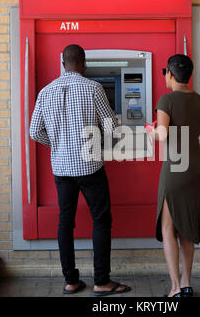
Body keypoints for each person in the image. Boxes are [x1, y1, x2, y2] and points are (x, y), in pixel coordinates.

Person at [30, 44, 132, 296]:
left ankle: (71, 281)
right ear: (83, 63)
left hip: (62, 168)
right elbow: (111, 127)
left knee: (65, 222)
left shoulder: (46, 92)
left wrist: (57, 143)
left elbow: (34, 131)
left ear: (63, 63)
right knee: (101, 219)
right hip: (89, 166)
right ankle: (101, 281)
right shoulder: (94, 88)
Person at [147, 54, 200, 297]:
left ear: (170, 75)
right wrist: (197, 167)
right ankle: (186, 284)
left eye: (166, 72)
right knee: (187, 226)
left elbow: (162, 135)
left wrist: (150, 131)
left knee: (168, 227)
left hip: (175, 167)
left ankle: (174, 288)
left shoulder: (166, 99)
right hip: (195, 167)